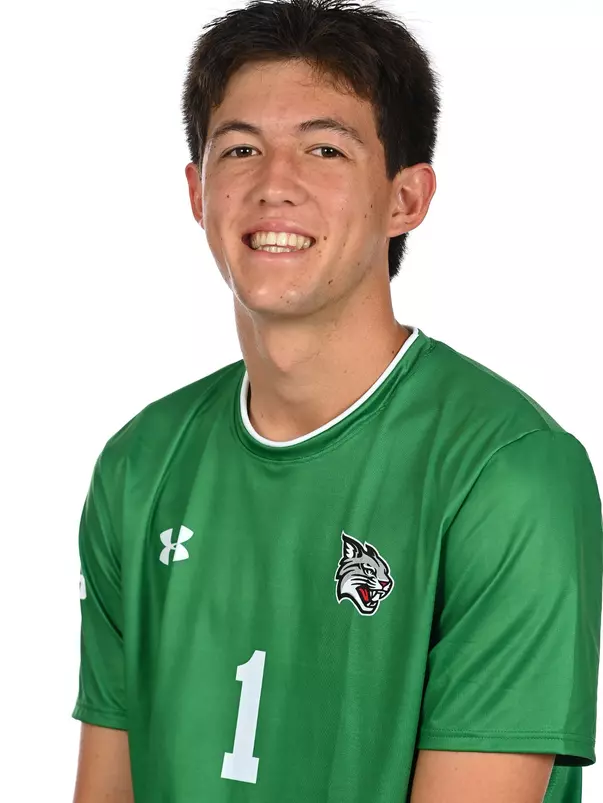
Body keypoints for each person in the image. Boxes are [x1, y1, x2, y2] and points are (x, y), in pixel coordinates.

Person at [71, 1, 603, 801]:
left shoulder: (507, 474)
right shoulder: (140, 463)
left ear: (405, 199)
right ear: (198, 190)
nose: (273, 184)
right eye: (241, 148)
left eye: (324, 148)